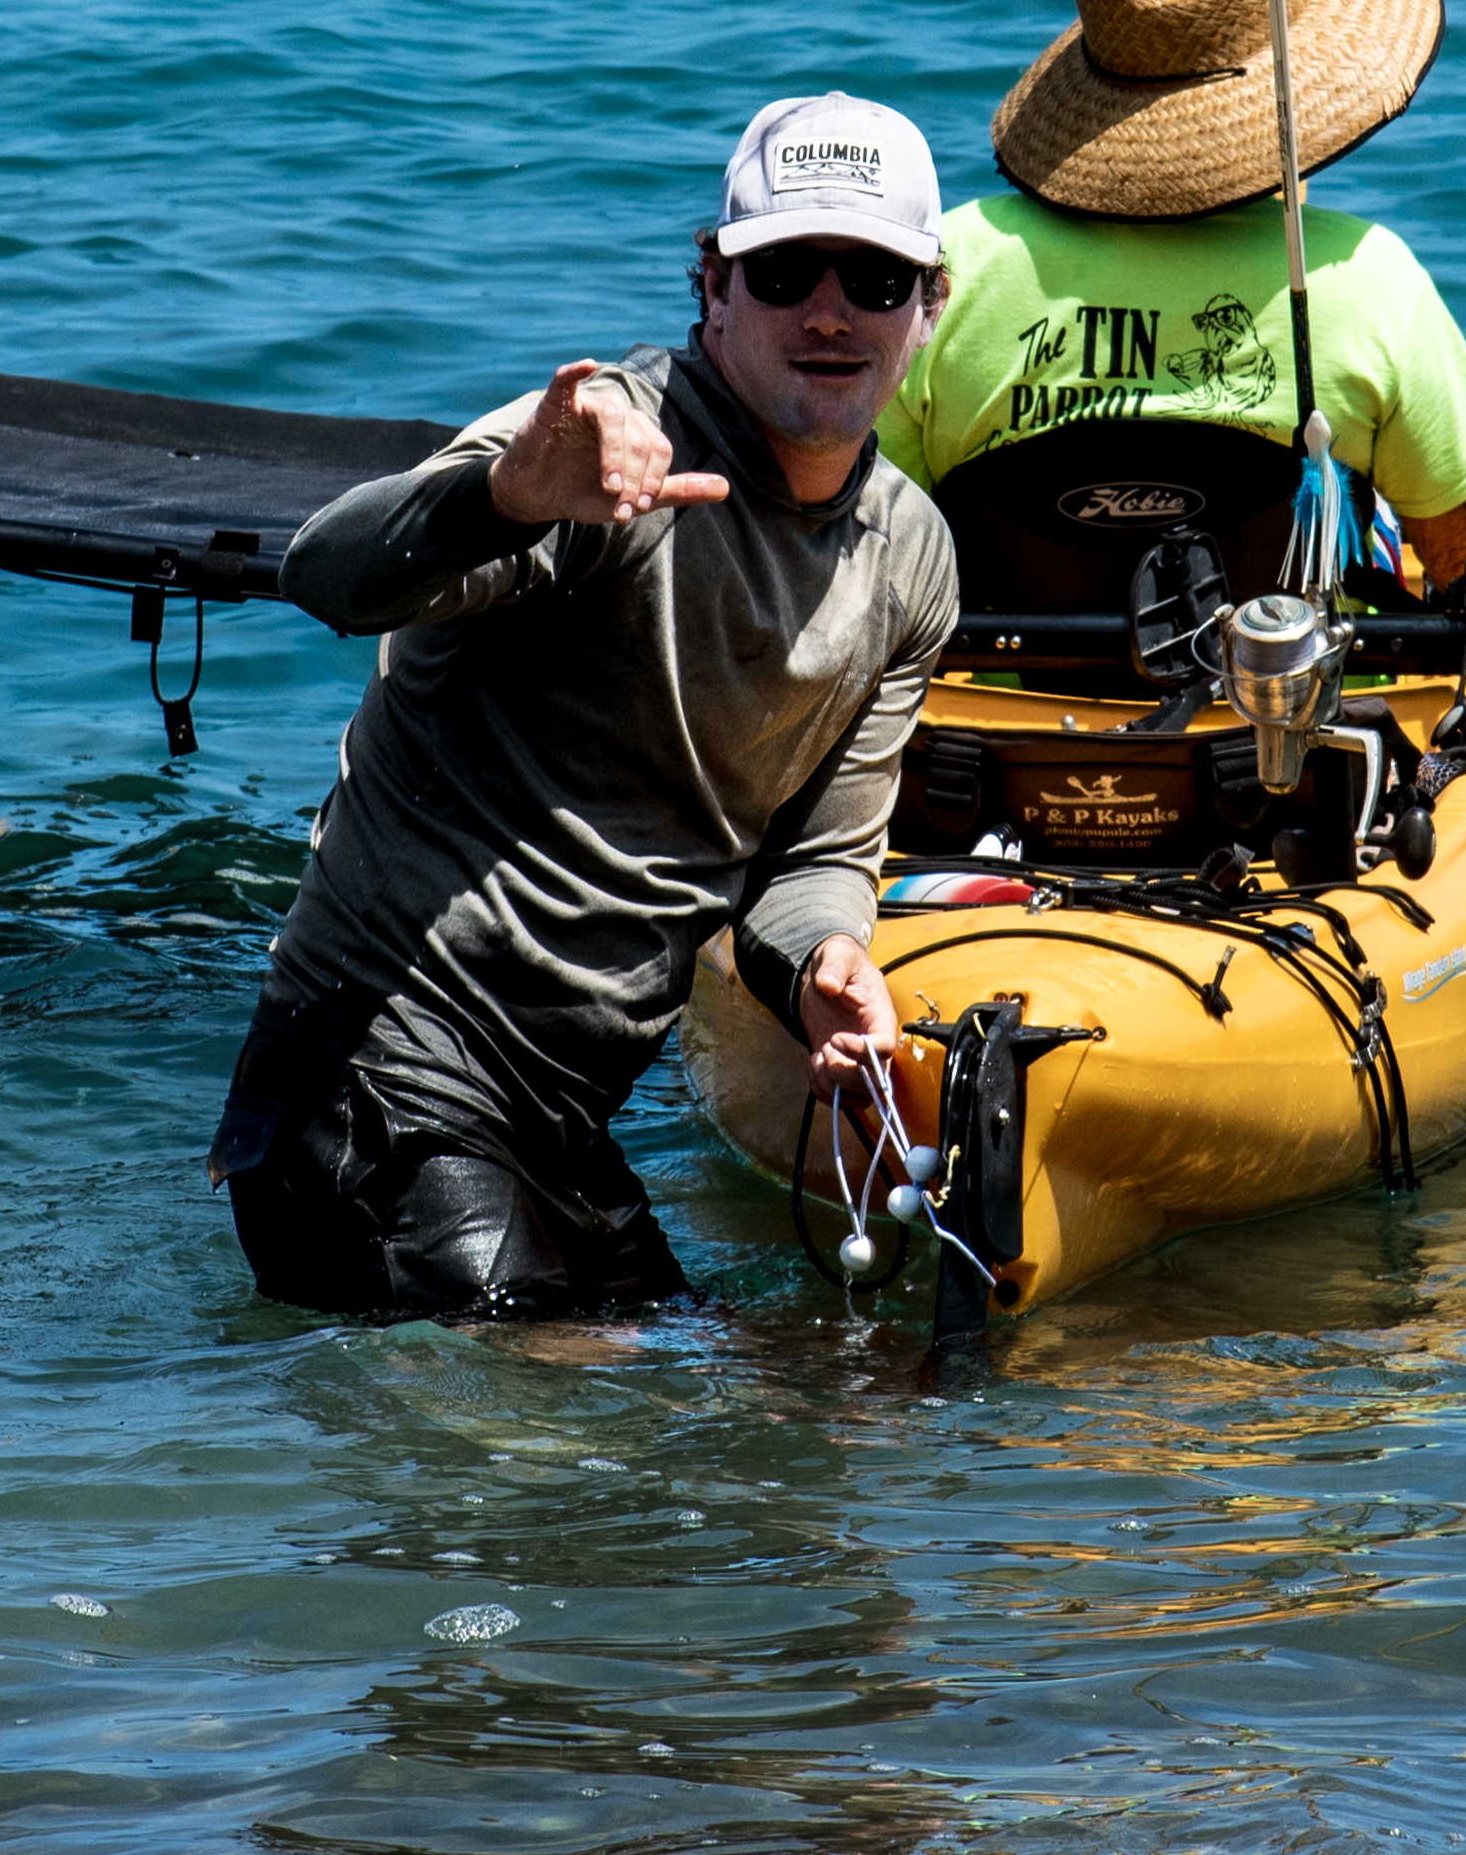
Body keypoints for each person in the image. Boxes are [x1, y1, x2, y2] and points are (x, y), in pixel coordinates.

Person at [211, 92, 967, 1325]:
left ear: (928, 305)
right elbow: (326, 571)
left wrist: (825, 961)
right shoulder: (608, 449)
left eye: (874, 277)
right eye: (784, 269)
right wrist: (504, 499)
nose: (829, 310)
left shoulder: (912, 557)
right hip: (377, 1076)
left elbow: (820, 852)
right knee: (547, 1445)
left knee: (757, 1414)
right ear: (715, 285)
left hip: (556, 1116)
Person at [883, 0, 1466, 609]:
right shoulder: (1365, 277)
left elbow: (872, 531)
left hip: (1006, 708)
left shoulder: (939, 266)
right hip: (1288, 707)